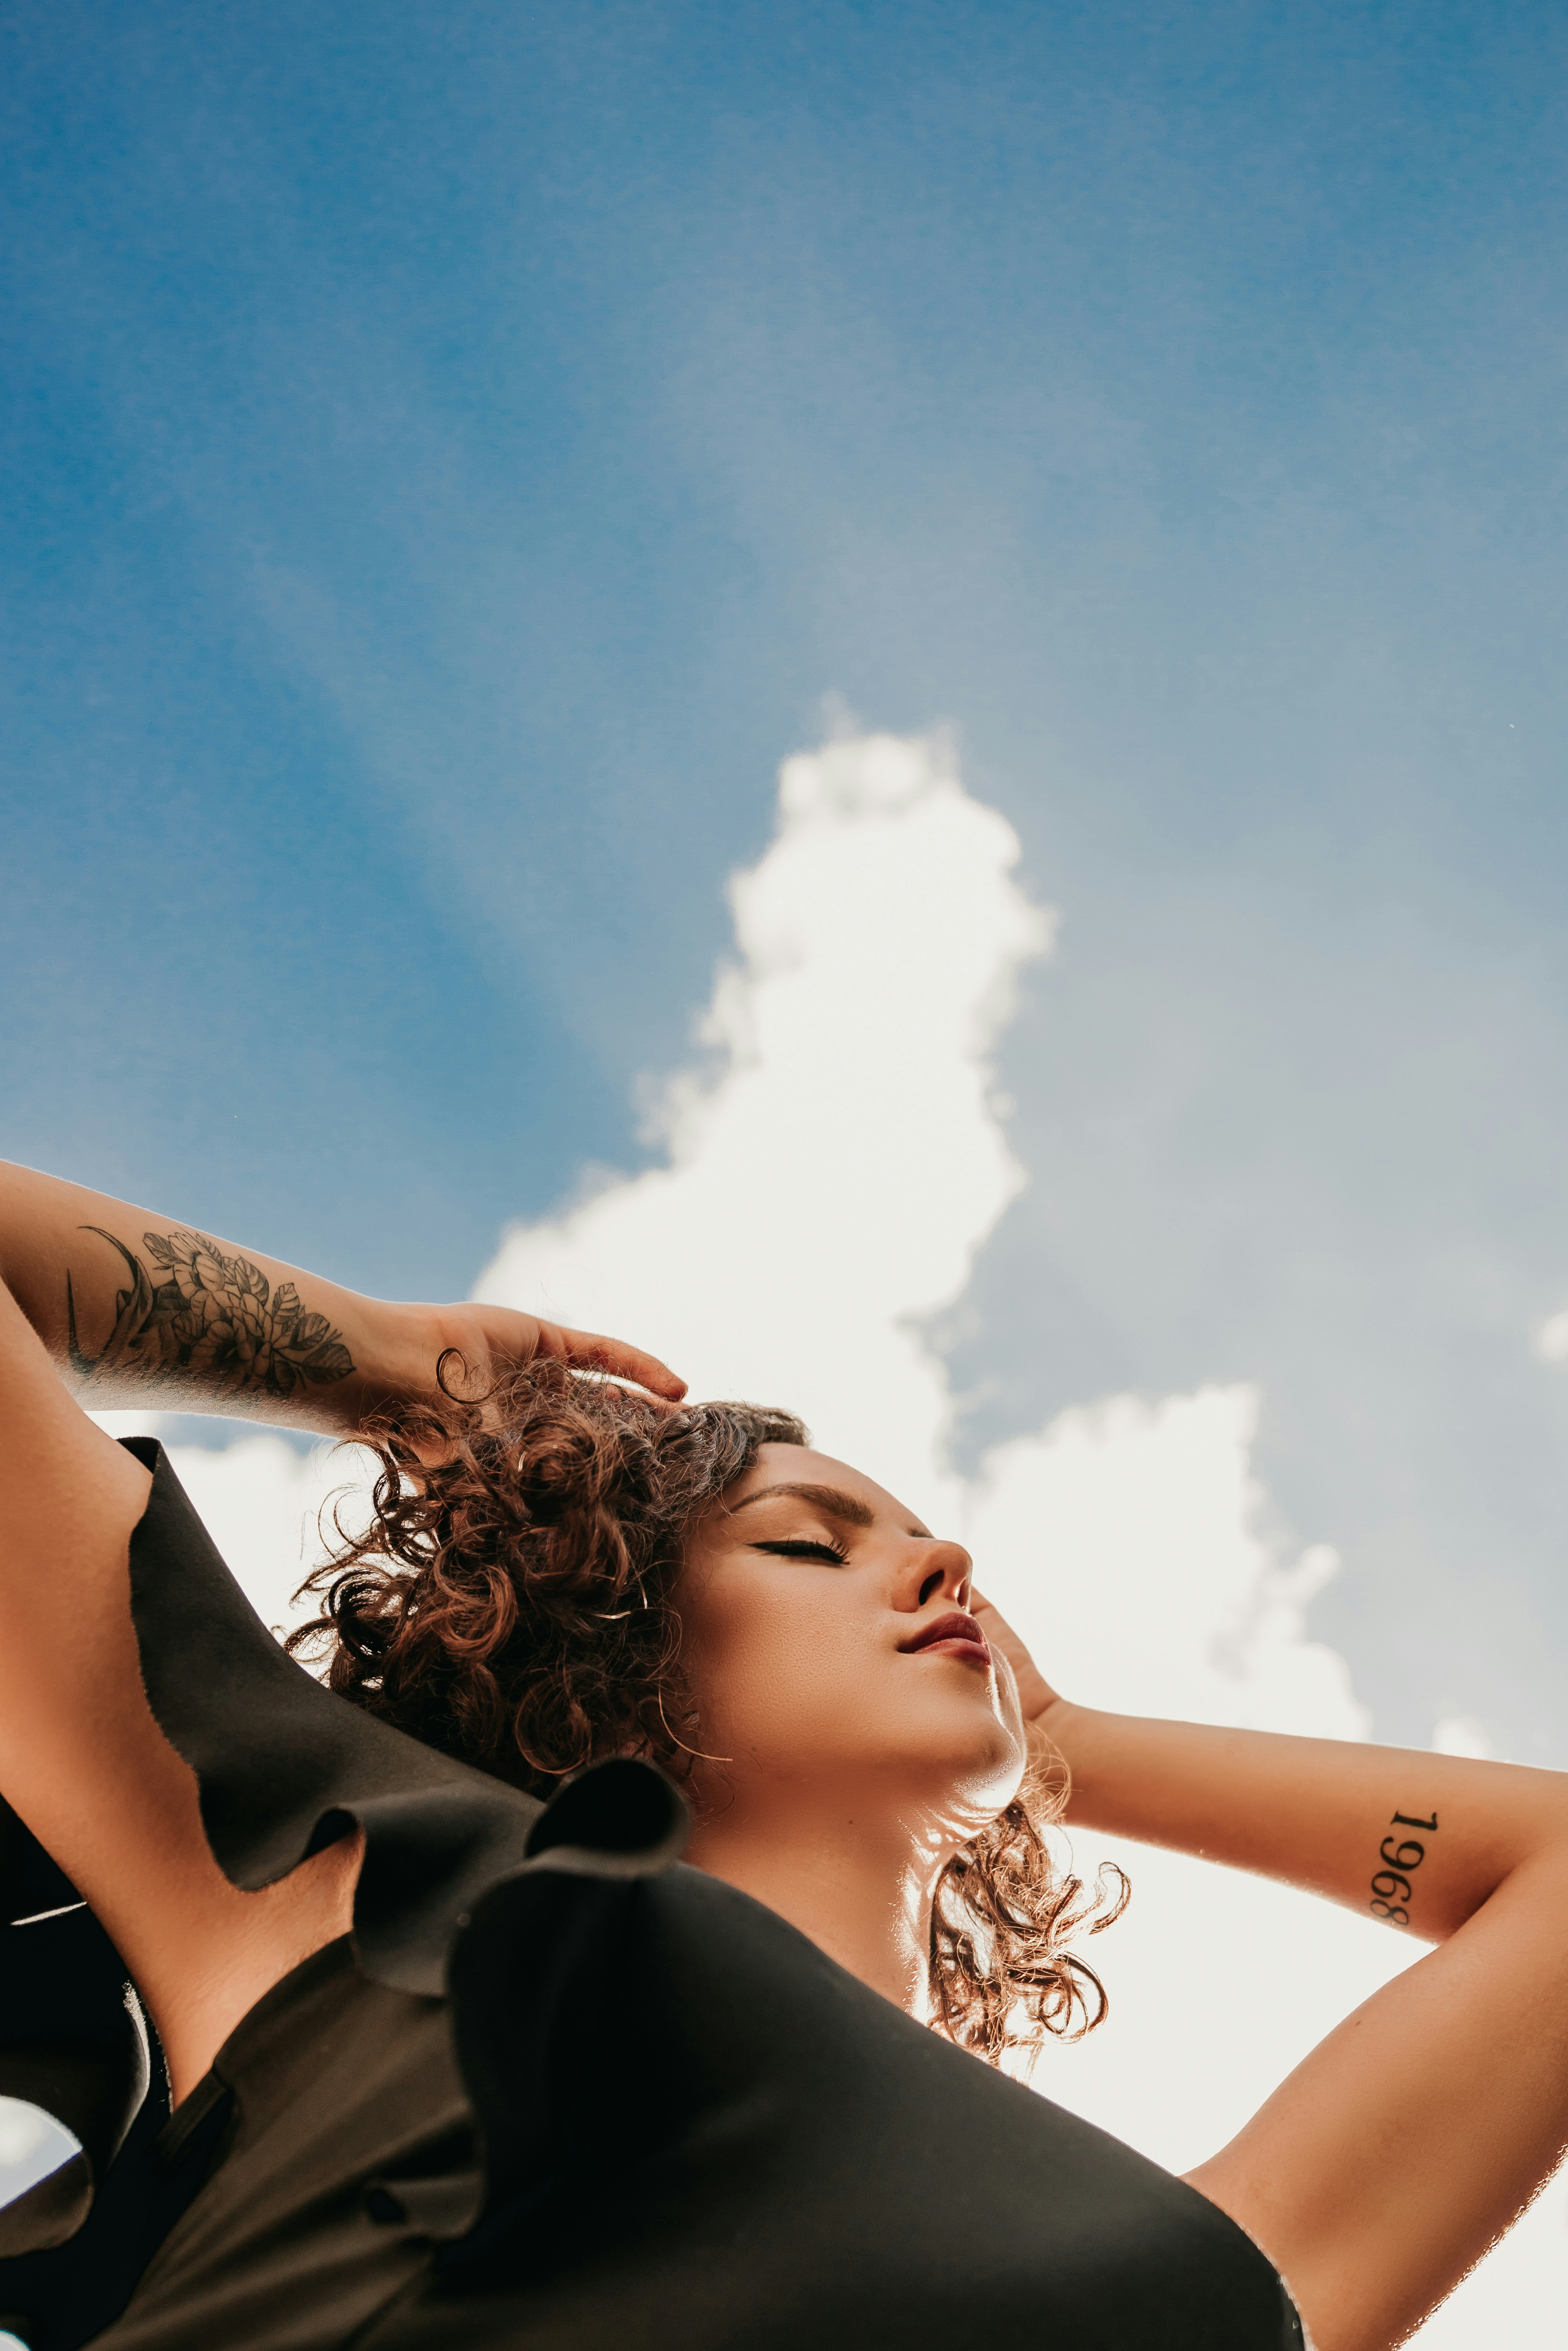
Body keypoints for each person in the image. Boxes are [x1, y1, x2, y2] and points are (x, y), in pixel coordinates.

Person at [0, 1161, 1565, 2351]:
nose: (947, 1561)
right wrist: (390, 1365)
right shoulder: (379, 1890)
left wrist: (1061, 1745)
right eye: (808, 1542)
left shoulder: (1173, 2273)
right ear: (596, 1626)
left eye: (930, 1548)